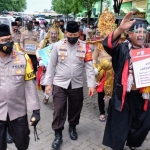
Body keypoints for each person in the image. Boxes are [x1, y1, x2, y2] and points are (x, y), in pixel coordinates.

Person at [102, 12, 150, 150]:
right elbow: (108, 44)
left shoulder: (147, 51)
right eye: (137, 31)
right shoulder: (122, 49)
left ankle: (133, 143)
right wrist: (120, 29)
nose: (141, 35)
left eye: (143, 31)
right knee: (119, 127)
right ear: (130, 34)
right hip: (123, 96)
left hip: (142, 96)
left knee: (143, 124)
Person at [44, 21, 95, 150]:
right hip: (60, 83)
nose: (72, 36)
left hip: (77, 84)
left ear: (79, 33)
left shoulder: (85, 47)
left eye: (75, 34)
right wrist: (48, 83)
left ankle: (72, 127)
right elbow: (51, 65)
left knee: (75, 107)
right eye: (70, 34)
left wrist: (91, 85)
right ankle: (58, 134)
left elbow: (89, 67)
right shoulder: (57, 46)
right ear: (65, 33)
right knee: (59, 108)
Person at [0, 24, 41, 150]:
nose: (8, 42)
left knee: (22, 143)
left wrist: (36, 110)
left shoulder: (23, 58)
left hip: (18, 112)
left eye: (9, 39)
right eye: (3, 40)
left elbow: (29, 86)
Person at [36, 23, 63, 105]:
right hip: (45, 67)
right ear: (49, 33)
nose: (53, 35)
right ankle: (46, 96)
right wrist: (38, 57)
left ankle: (55, 100)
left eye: (55, 33)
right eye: (52, 33)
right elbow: (37, 50)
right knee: (44, 83)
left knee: (56, 84)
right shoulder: (44, 41)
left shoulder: (61, 42)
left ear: (58, 34)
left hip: (57, 67)